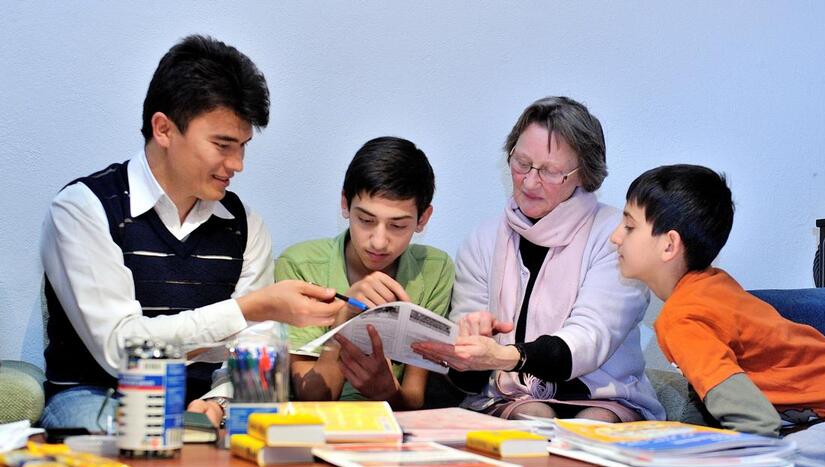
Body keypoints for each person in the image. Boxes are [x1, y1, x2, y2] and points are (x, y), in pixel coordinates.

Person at [40, 35, 344, 430]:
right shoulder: (84, 209)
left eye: (243, 146)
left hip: (206, 405)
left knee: (267, 440)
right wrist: (251, 308)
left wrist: (219, 402)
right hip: (100, 399)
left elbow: (256, 355)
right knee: (132, 432)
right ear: (164, 129)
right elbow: (123, 349)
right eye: (223, 144)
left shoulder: (245, 225)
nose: (237, 164)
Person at [609, 164, 825, 467]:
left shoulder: (682, 318)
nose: (616, 236)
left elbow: (755, 422)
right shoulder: (712, 284)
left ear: (669, 245)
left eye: (629, 226)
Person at [412, 96, 664, 423]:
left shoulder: (617, 237)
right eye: (522, 163)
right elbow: (467, 370)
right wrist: (469, 346)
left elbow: (590, 338)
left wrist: (504, 356)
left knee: (593, 424)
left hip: (605, 398)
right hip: (512, 398)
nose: (530, 182)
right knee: (532, 416)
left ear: (584, 175)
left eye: (550, 171)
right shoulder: (483, 240)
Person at [275, 136, 458, 410]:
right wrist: (344, 319)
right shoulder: (300, 265)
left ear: (423, 219)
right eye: (366, 220)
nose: (379, 241)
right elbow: (312, 399)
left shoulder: (435, 269)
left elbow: (413, 401)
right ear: (345, 204)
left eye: (398, 226)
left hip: (390, 428)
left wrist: (386, 391)